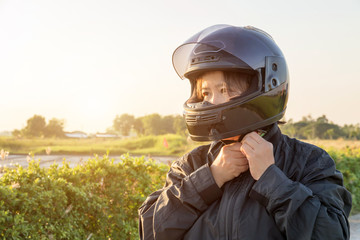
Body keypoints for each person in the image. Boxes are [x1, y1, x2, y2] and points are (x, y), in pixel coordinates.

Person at [138, 24, 352, 239]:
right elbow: (151, 231)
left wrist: (272, 180)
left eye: (223, 90)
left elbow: (331, 234)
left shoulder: (308, 162)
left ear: (265, 85)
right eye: (205, 92)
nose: (211, 102)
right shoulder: (191, 165)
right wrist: (210, 178)